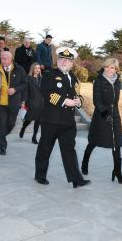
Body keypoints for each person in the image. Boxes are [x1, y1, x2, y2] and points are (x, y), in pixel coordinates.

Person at [34, 47, 90, 188]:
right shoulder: (49, 75)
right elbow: (46, 93)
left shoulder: (74, 78)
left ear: (72, 63)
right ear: (57, 61)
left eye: (67, 60)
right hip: (51, 119)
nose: (64, 62)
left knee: (69, 150)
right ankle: (40, 175)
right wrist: (65, 101)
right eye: (61, 59)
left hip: (68, 121)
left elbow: (78, 95)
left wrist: (79, 101)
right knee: (45, 148)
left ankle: (76, 179)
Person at [81, 58, 122, 184]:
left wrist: (113, 114)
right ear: (104, 67)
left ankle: (117, 172)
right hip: (101, 115)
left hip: (115, 114)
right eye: (107, 67)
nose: (109, 70)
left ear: (116, 69)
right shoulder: (99, 80)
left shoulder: (117, 81)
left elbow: (115, 101)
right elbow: (97, 100)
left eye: (112, 68)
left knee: (116, 144)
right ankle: (85, 163)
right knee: (94, 141)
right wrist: (105, 114)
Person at [0, 51, 27, 155]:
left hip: (14, 103)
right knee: (1, 124)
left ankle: (1, 136)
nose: (2, 60)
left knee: (11, 124)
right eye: (1, 58)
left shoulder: (19, 70)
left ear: (11, 59)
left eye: (5, 58)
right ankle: (2, 146)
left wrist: (15, 89)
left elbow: (25, 84)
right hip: (1, 103)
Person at [19, 62, 43, 144]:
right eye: (35, 68)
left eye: (38, 68)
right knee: (28, 120)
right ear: (32, 69)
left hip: (41, 103)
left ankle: (34, 137)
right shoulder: (28, 78)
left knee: (38, 121)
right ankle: (23, 128)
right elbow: (25, 91)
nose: (37, 70)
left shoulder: (42, 79)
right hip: (32, 102)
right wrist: (23, 102)